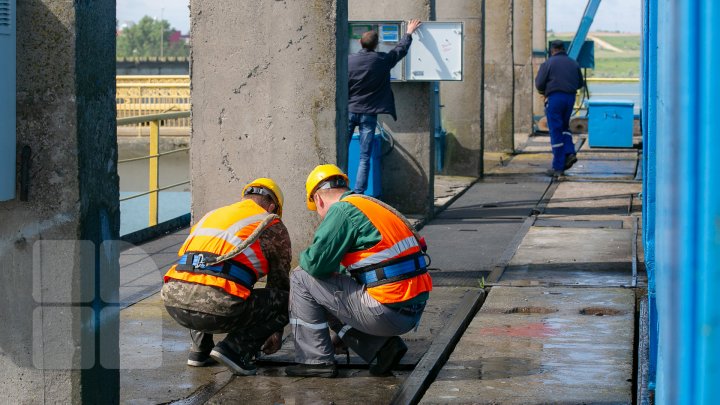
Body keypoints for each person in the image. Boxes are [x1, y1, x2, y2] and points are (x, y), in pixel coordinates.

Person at [285, 164, 432, 378]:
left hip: (387, 312)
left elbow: (315, 264)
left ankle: (315, 361)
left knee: (301, 276)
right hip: (410, 310)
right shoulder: (369, 206)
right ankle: (380, 348)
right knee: (327, 286)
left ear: (318, 199)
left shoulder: (341, 210)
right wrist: (346, 332)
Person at [161, 178, 292, 376]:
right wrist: (274, 331)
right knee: (289, 301)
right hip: (216, 310)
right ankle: (235, 350)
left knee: (203, 276)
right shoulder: (270, 223)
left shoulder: (213, 215)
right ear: (272, 206)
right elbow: (279, 284)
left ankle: (199, 351)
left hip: (173, 303)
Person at [347, 19, 423, 194]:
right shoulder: (382, 60)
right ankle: (359, 193)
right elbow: (400, 50)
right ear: (377, 44)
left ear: (360, 42)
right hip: (369, 114)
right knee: (364, 157)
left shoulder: (349, 61)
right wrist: (409, 33)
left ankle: (340, 189)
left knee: (341, 151)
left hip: (350, 111)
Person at [535, 39, 584, 177]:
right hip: (570, 98)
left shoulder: (548, 63)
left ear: (552, 50)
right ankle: (569, 152)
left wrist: (546, 91)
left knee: (556, 130)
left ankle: (558, 167)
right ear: (564, 49)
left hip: (555, 98)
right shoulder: (574, 63)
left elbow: (539, 84)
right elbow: (580, 83)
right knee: (564, 127)